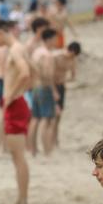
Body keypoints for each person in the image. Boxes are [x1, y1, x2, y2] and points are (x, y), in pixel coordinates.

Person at [0, 18, 31, 204]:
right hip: (17, 103)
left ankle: (22, 200)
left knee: (18, 156)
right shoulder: (18, 48)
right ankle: (21, 199)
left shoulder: (14, 49)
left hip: (16, 104)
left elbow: (25, 73)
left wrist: (11, 96)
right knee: (16, 156)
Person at [28, 27, 59, 157]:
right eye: (55, 38)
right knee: (47, 120)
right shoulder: (47, 55)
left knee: (35, 118)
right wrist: (54, 90)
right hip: (44, 87)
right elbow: (48, 74)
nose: (56, 41)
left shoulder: (37, 51)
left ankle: (33, 149)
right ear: (50, 39)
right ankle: (47, 151)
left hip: (35, 86)